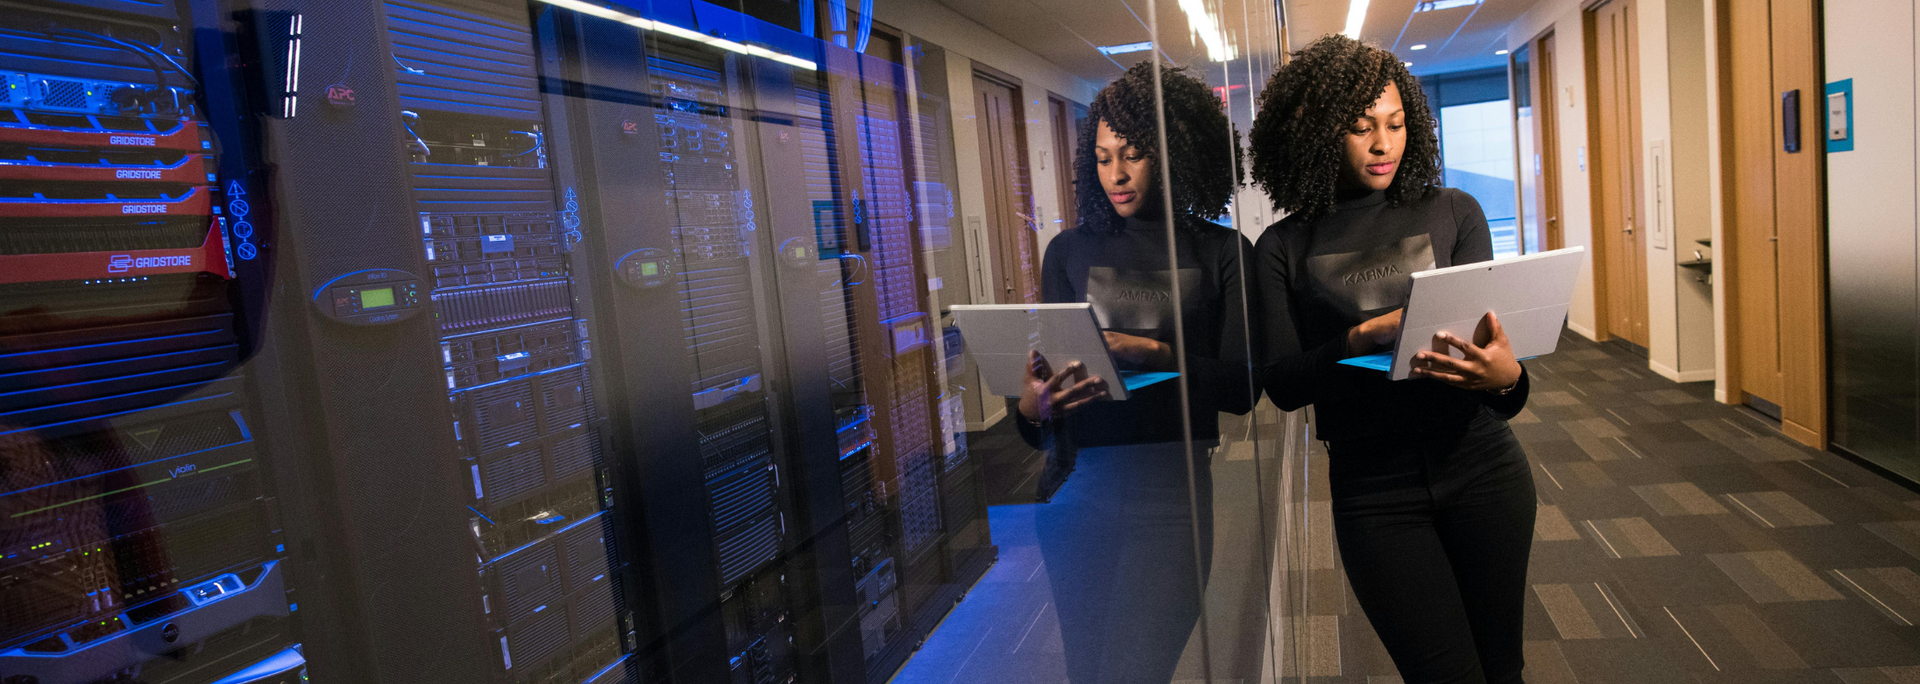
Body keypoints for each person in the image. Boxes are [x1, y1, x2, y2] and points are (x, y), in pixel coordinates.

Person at [1247, 35, 1536, 684]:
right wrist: (1356, 341)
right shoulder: (1283, 246)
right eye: (1360, 128)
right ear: (1321, 133)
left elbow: (1499, 375)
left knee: (1502, 670)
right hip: (1374, 491)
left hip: (1483, 466)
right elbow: (1283, 385)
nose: (1383, 144)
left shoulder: (1454, 212)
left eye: (1397, 123)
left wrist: (1508, 378)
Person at [1013, 61, 1252, 682]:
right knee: (1087, 673)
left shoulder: (1221, 253)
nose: (1115, 174)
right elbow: (1045, 416)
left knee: (1134, 669)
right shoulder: (1068, 252)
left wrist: (1161, 357)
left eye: (1133, 155)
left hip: (1170, 499)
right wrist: (1030, 408)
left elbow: (1243, 389)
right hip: (1073, 491)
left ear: (1175, 154)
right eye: (1102, 157)